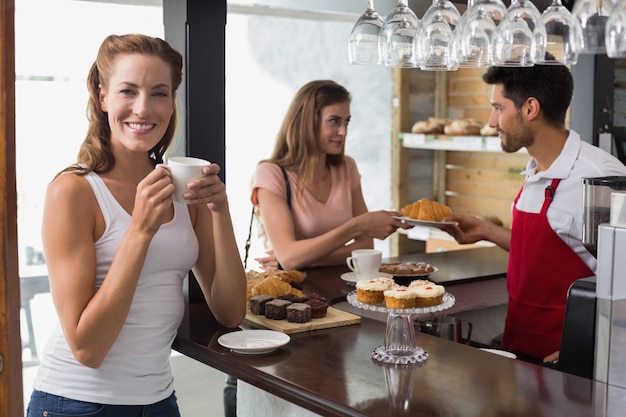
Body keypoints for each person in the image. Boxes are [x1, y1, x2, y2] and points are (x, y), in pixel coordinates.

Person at [26, 34, 246, 417]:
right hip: (76, 403)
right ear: (103, 97)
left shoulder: (177, 189)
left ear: (172, 102)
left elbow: (230, 312)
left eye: (159, 93)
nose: (143, 109)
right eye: (128, 91)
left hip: (159, 400)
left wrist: (220, 210)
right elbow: (87, 348)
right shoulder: (73, 192)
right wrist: (140, 230)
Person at [441, 57, 626, 363]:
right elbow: (545, 251)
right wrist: (487, 231)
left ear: (530, 108)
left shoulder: (601, 179)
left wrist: (589, 347)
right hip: (520, 353)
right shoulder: (536, 170)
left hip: (570, 365)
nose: (491, 121)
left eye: (498, 108)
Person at [250, 79, 412, 272]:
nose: (343, 132)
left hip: (336, 285)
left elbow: (365, 248)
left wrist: (304, 259)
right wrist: (356, 226)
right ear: (307, 122)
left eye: (347, 122)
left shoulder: (347, 167)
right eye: (334, 121)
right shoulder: (271, 174)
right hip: (292, 295)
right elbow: (290, 258)